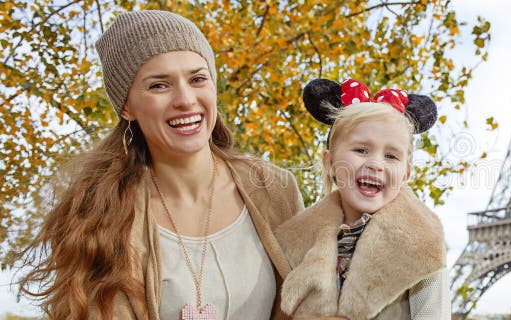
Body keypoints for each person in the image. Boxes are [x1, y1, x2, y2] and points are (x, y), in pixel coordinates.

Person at [17, 10, 303, 319]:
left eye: (197, 79)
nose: (185, 99)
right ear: (127, 107)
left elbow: (316, 299)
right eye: (159, 86)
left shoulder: (275, 189)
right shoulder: (100, 216)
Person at [275, 78, 450, 319]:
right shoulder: (292, 243)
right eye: (361, 150)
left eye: (391, 156)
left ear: (406, 174)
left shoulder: (423, 247)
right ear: (330, 163)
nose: (376, 164)